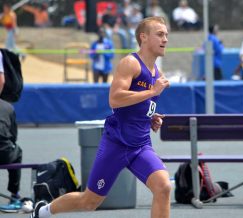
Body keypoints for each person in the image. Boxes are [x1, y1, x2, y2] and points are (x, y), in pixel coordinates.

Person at [30, 16, 171, 218]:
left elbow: (138, 103)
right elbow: (114, 99)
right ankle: (42, 211)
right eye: (160, 34)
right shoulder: (130, 63)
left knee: (164, 187)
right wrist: (151, 93)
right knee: (89, 202)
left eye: (166, 34)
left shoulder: (158, 73)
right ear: (144, 37)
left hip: (140, 145)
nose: (165, 39)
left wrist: (149, 116)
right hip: (116, 143)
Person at [0, 50, 23, 212]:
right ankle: (14, 194)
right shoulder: (7, 107)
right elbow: (13, 136)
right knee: (17, 151)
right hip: (4, 153)